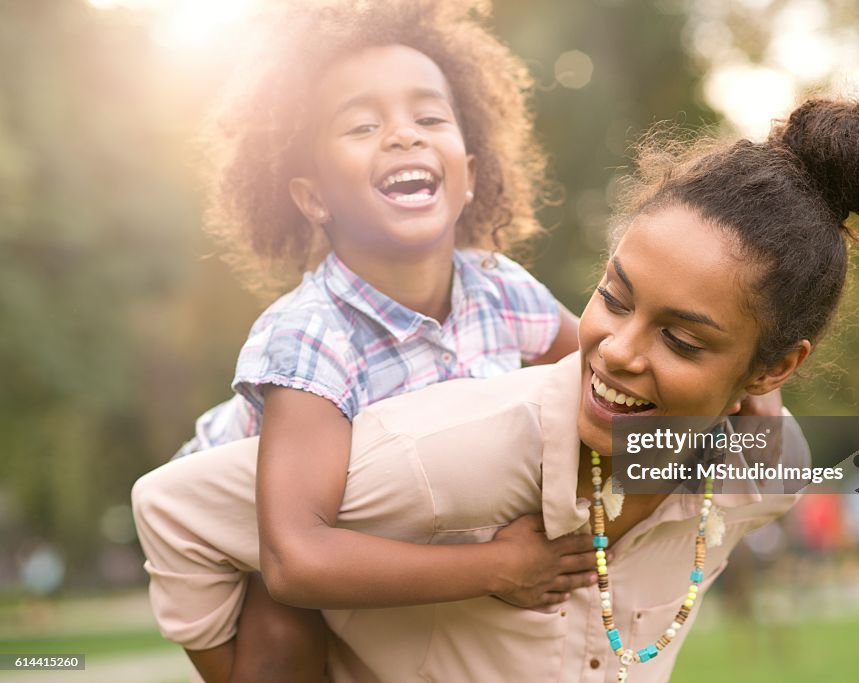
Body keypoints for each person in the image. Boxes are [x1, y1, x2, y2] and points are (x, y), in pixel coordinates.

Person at [134, 87, 859, 682]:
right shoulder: (456, 449)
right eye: (613, 296)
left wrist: (758, 410)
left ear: (775, 366)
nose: (613, 352)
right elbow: (173, 510)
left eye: (681, 337)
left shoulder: (758, 469)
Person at [163, 1, 595, 679]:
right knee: (284, 632)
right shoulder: (310, 334)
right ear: (312, 198)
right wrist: (502, 564)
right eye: (362, 125)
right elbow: (295, 558)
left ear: (470, 174)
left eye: (430, 118)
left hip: (390, 539)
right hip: (250, 558)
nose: (403, 135)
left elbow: (604, 381)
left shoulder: (501, 289)